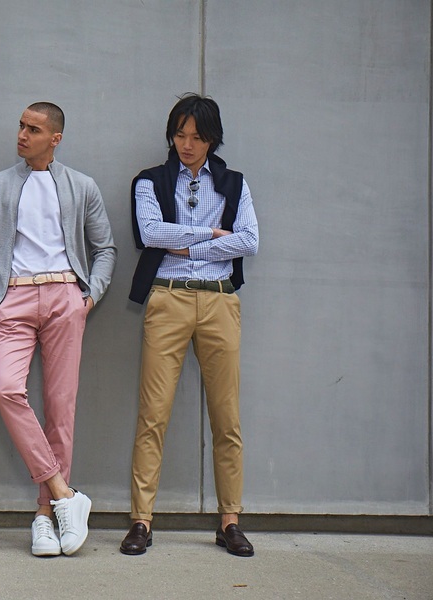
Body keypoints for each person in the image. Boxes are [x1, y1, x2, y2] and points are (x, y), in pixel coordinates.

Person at [0, 102, 117, 557]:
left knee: (60, 409)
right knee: (6, 390)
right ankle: (65, 493)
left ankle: (45, 516)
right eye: (21, 126)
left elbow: (105, 248)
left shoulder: (82, 186)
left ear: (55, 138)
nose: (22, 134)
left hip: (65, 297)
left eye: (33, 129)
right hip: (12, 299)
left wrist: (89, 296)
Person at [122, 94, 259, 557]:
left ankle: (230, 521)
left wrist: (185, 244)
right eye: (180, 135)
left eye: (197, 137)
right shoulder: (150, 181)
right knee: (153, 415)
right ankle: (141, 521)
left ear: (212, 139)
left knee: (227, 417)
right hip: (168, 297)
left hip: (220, 301)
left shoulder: (234, 183)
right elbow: (151, 234)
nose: (186, 144)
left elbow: (249, 241)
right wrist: (212, 235)